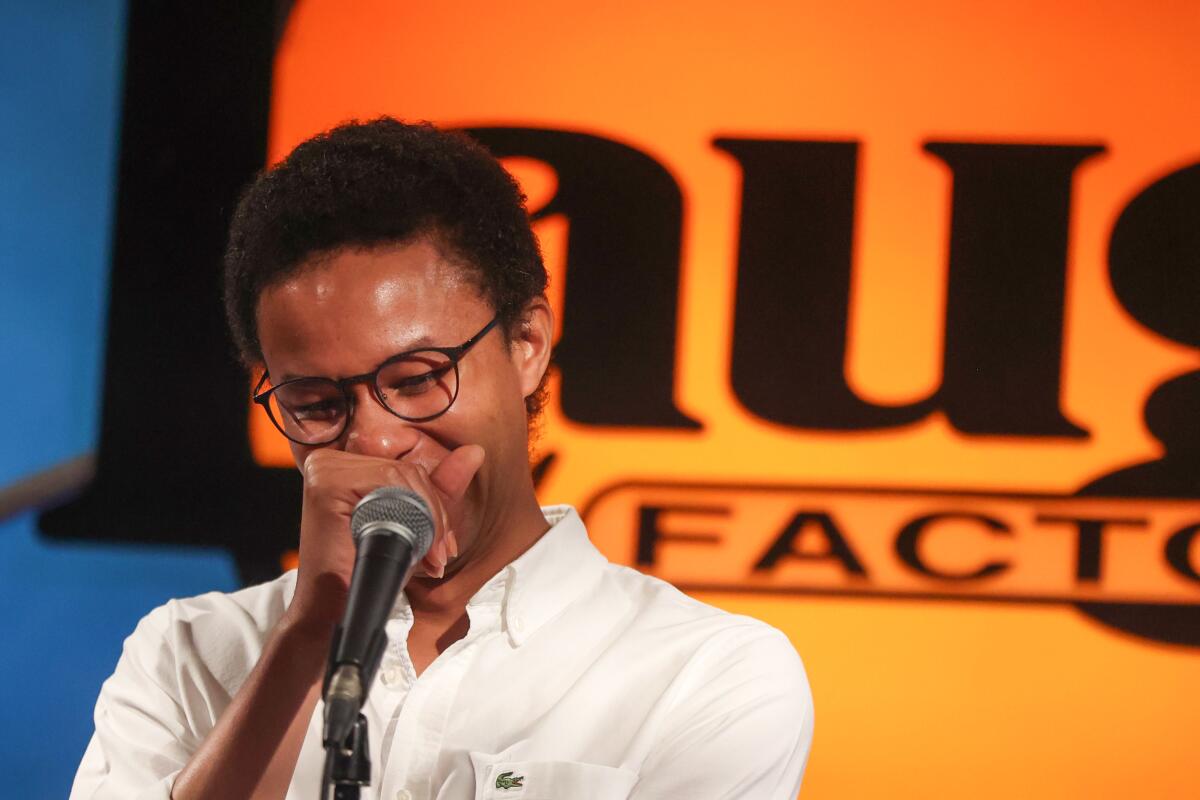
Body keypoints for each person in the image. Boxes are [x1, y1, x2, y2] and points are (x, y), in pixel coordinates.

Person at [70, 119, 813, 800]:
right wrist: (309, 637)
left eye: (418, 379)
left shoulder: (705, 673)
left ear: (526, 345)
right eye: (317, 403)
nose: (374, 440)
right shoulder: (188, 651)